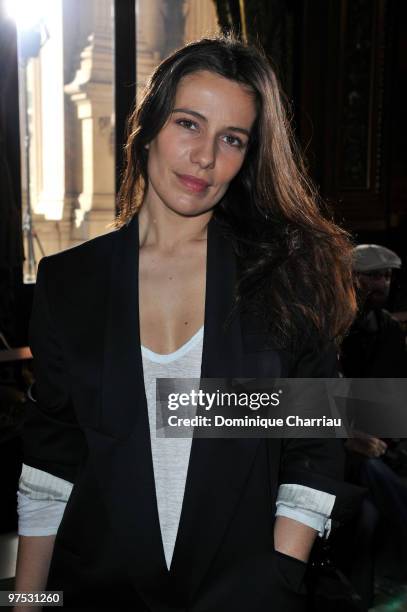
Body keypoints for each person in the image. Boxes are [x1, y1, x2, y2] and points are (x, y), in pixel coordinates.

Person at [15, 35, 359, 611]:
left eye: (231, 139)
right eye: (188, 124)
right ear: (148, 126)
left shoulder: (285, 276)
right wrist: (30, 604)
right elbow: (51, 460)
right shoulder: (69, 282)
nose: (205, 157)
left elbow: (315, 447)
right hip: (97, 591)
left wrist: (276, 578)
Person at [338, 244, 407, 607]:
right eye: (372, 276)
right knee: (366, 507)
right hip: (335, 450)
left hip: (380, 447)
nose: (382, 283)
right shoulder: (328, 325)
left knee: (373, 494)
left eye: (387, 276)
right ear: (350, 279)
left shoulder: (389, 331)